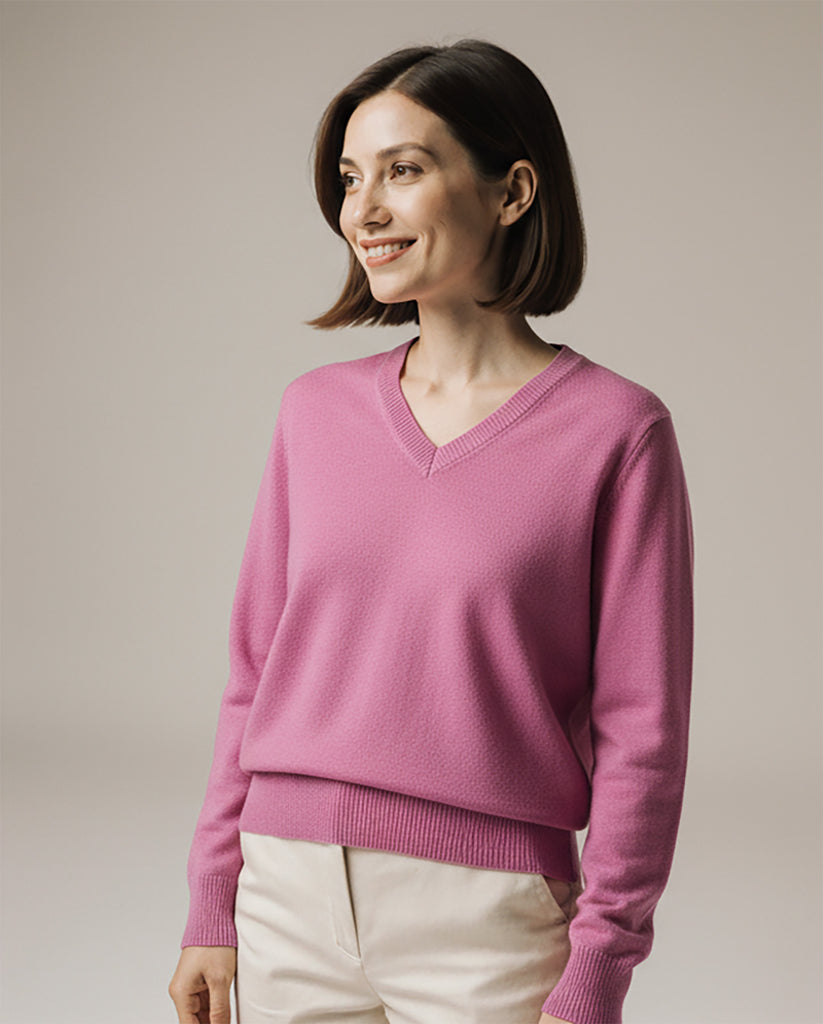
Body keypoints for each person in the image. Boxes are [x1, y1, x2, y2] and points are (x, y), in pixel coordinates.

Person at [168, 38, 694, 1024]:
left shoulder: (616, 432)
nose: (360, 210)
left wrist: (599, 965)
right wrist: (214, 901)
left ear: (511, 190)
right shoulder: (312, 412)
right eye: (348, 179)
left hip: (485, 919)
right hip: (286, 895)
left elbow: (643, 730)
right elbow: (252, 674)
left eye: (402, 171)